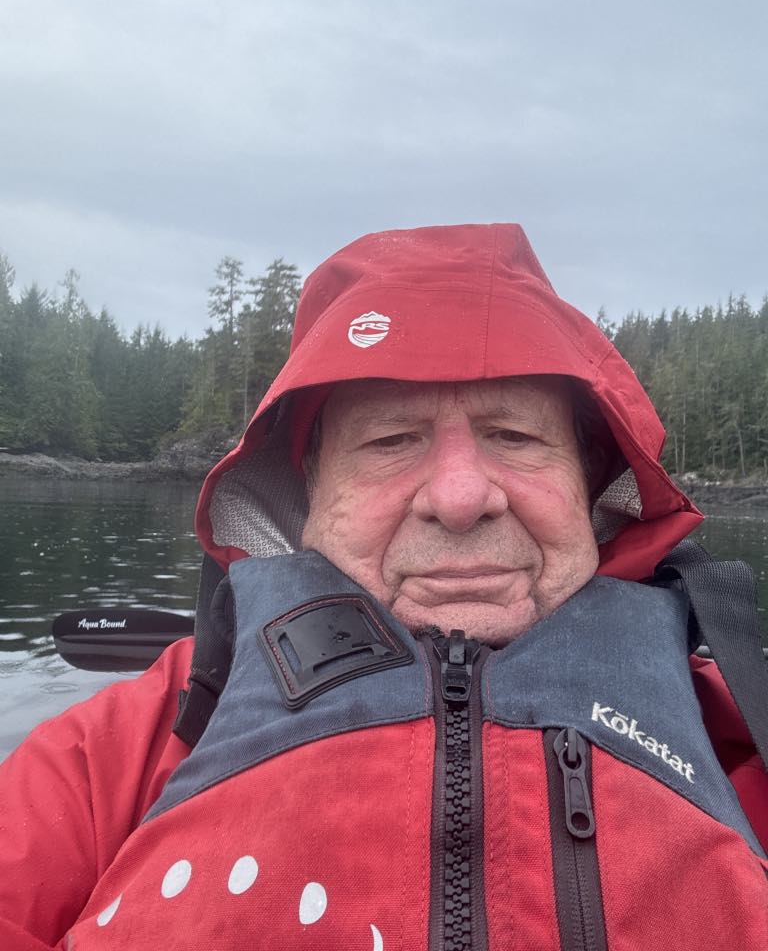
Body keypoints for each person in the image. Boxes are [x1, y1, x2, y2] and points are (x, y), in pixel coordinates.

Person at [1, 223, 766, 950]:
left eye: (515, 436)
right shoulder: (119, 752)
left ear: (590, 487)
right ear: (307, 498)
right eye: (392, 441)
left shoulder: (740, 732)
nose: (462, 497)